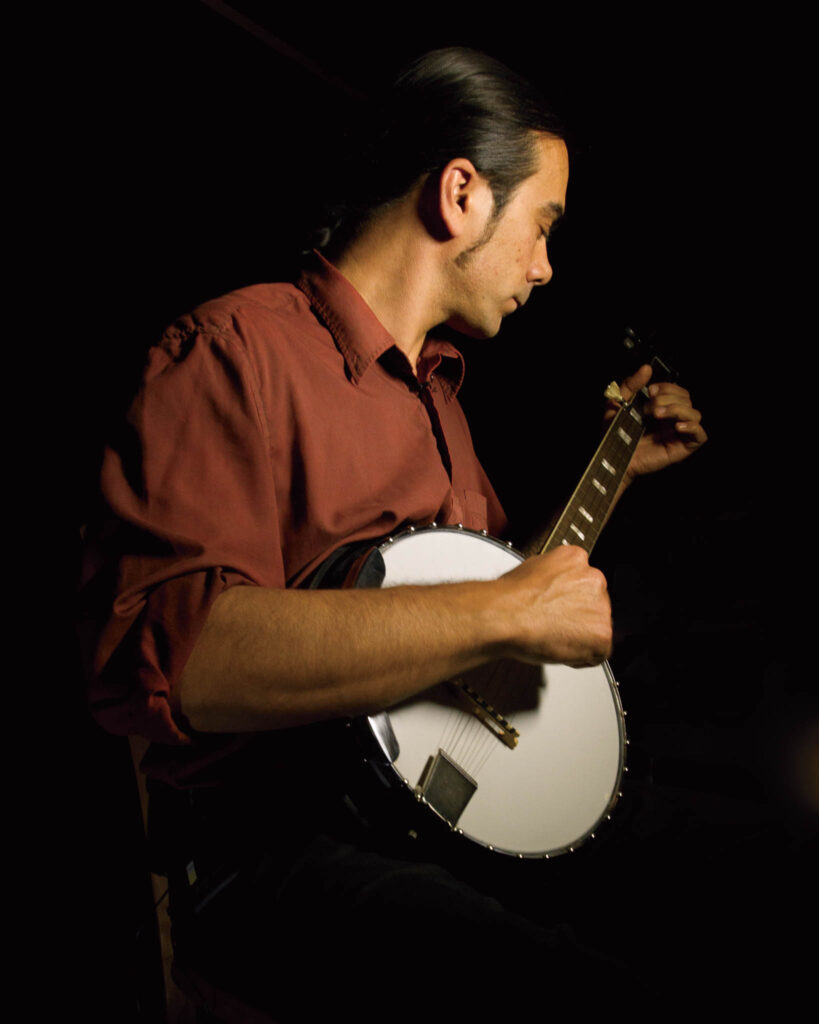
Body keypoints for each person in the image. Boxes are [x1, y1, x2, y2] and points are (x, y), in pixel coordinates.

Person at [80, 48, 706, 1018]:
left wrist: (617, 465)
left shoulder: (444, 410)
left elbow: (489, 630)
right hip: (277, 860)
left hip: (442, 835)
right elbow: (183, 657)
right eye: (543, 226)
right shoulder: (239, 351)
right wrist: (502, 606)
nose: (547, 266)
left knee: (714, 898)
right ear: (461, 193)